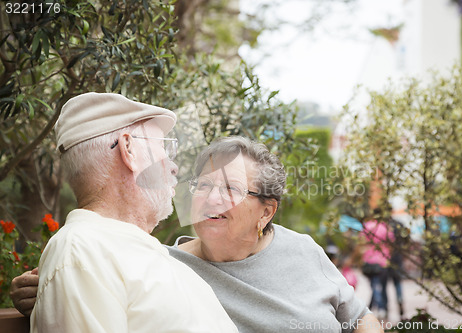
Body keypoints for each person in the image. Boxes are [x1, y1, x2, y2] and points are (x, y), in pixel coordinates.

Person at [12, 136, 383, 333]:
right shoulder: (166, 266)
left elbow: (359, 318)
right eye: (202, 185)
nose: (210, 198)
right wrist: (41, 288)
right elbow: (96, 280)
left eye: (230, 188)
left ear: (266, 211)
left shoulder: (302, 249)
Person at [25, 92, 237, 332]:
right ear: (129, 149)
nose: (174, 166)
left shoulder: (130, 249)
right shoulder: (82, 251)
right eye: (163, 148)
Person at [359, 215, 395, 320]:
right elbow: (391, 243)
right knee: (381, 285)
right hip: (383, 260)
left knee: (375, 285)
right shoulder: (385, 227)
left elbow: (361, 243)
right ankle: (381, 308)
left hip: (369, 259)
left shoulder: (367, 227)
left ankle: (378, 307)